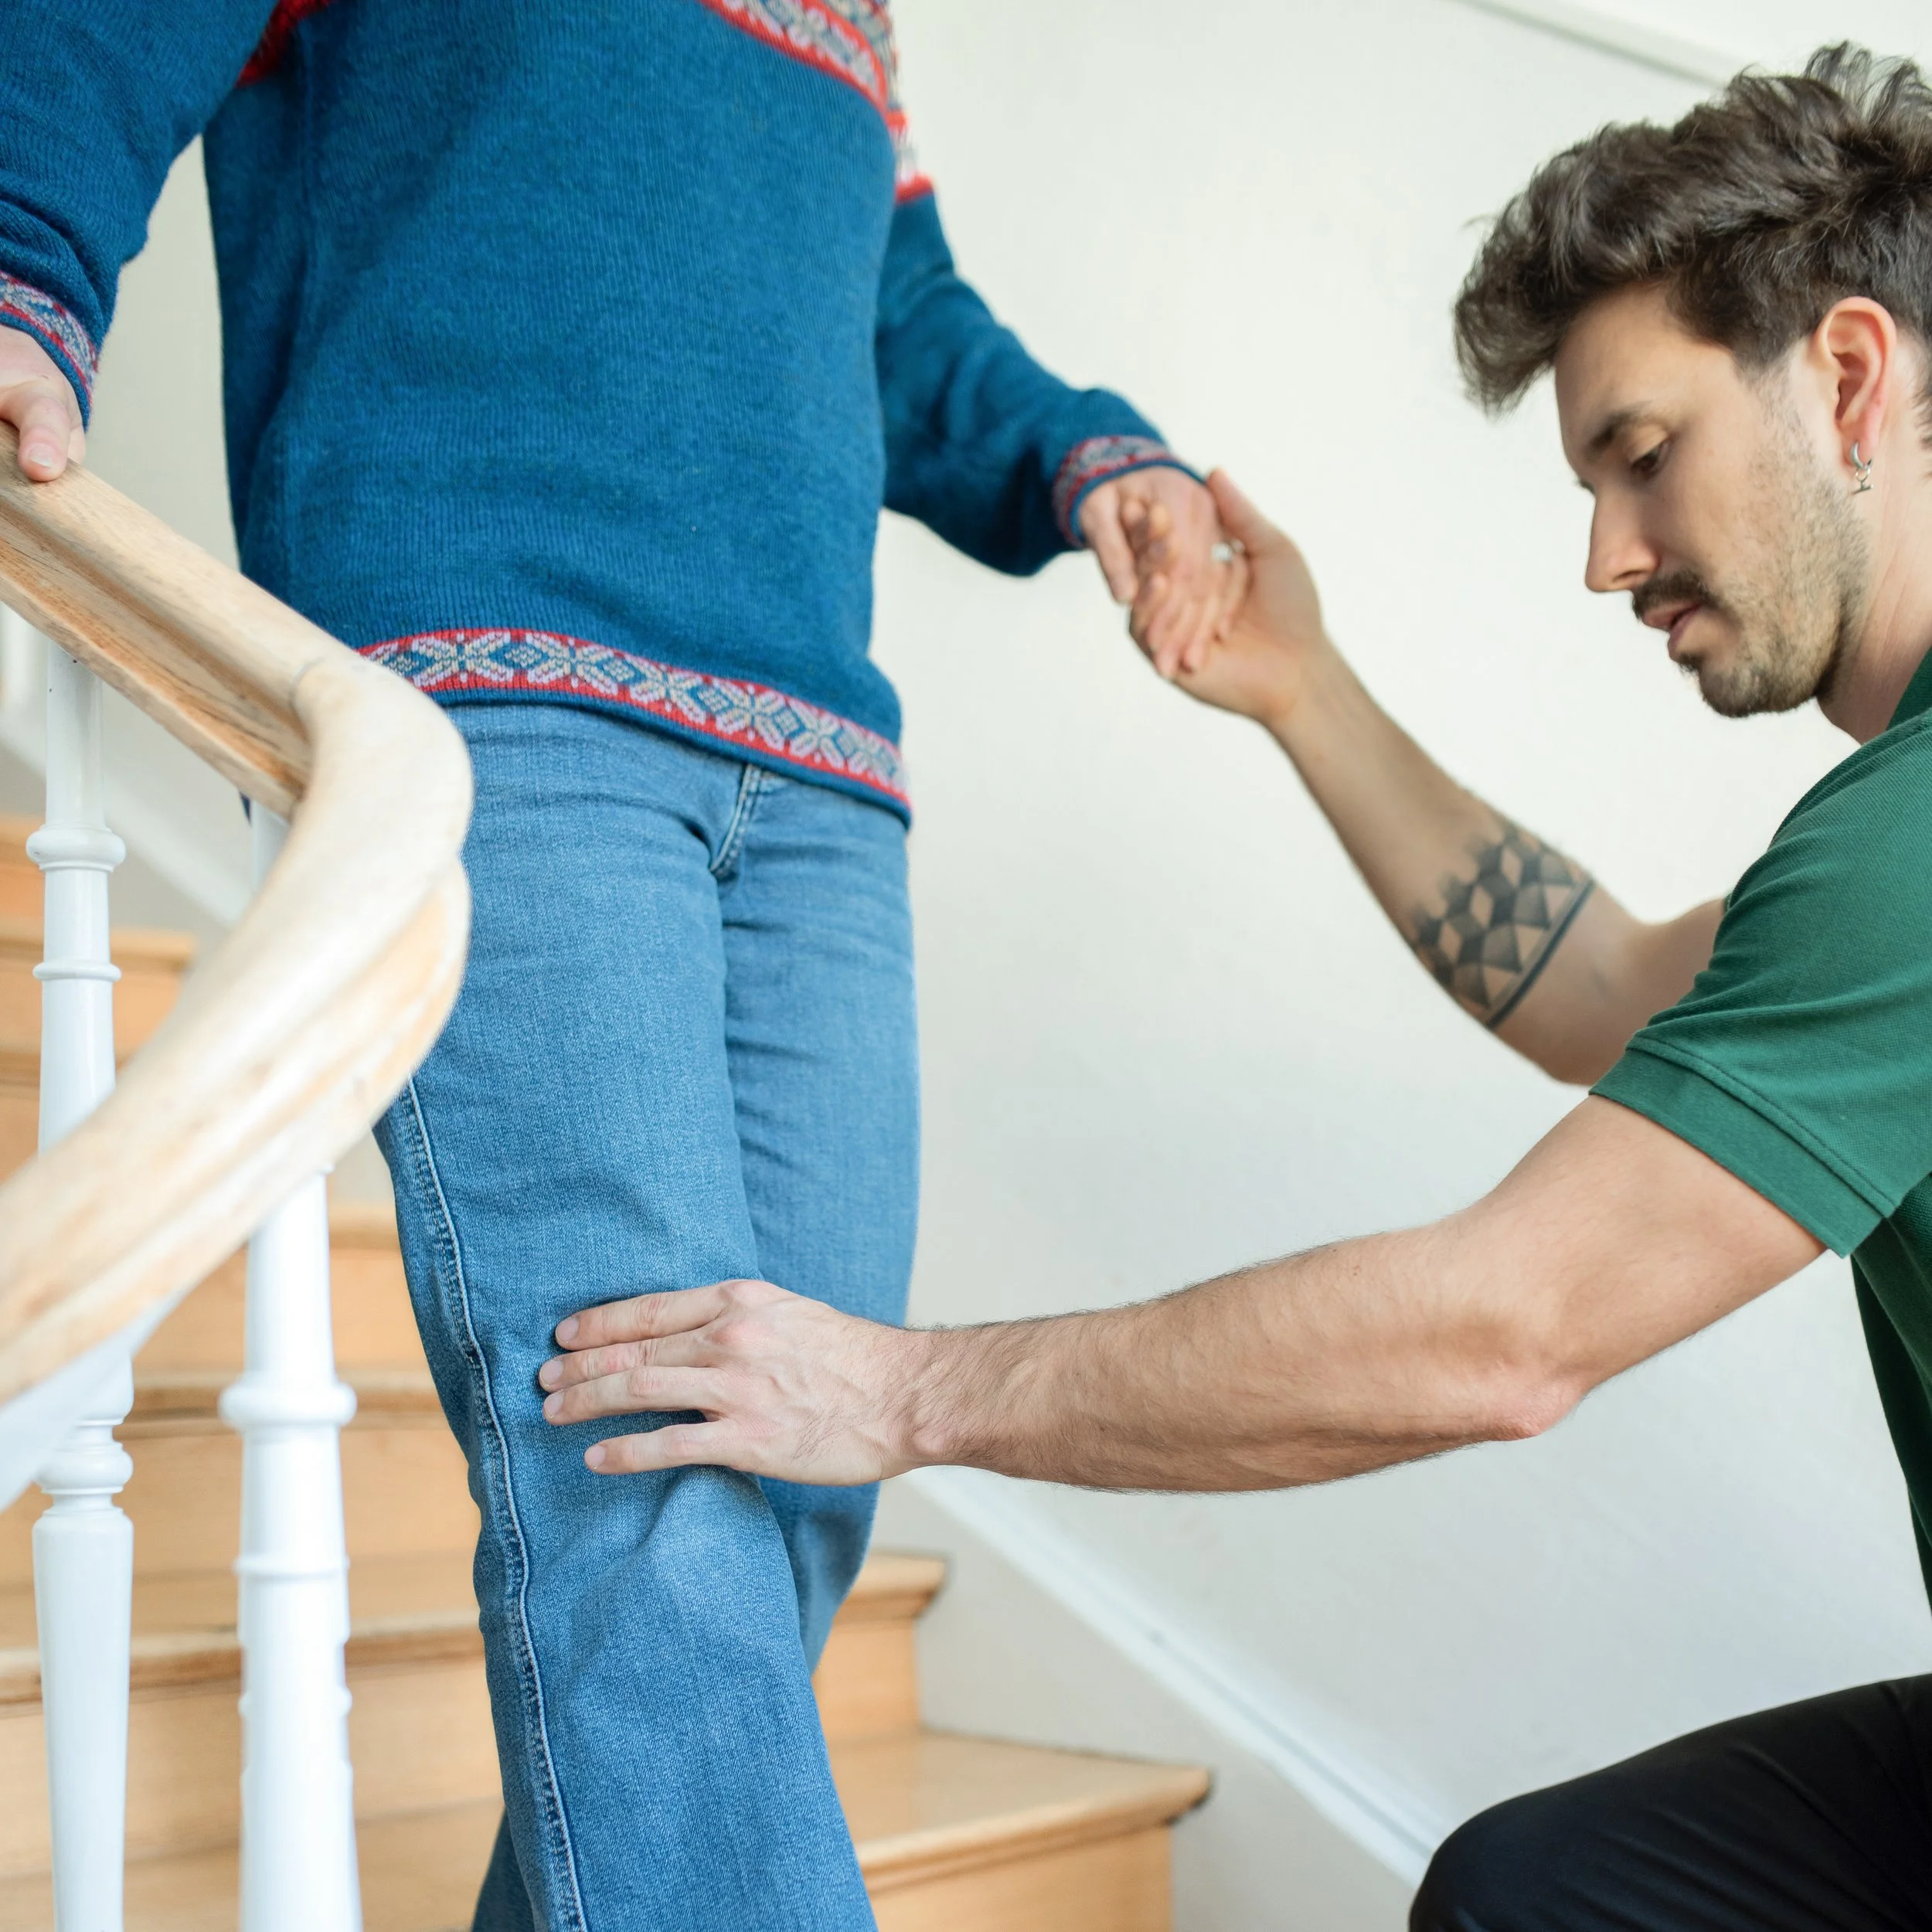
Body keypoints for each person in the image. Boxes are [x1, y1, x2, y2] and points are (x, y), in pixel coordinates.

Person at [536, 44, 1932, 1928]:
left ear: (1845, 376)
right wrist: (1303, 687)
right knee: (1541, 1893)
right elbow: (1608, 982)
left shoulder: (1909, 843)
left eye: (1639, 453)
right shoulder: (1877, 853)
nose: (1604, 553)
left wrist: (901, 1390)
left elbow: (1501, 1327)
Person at [0, 4, 1240, 1928]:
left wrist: (1084, 459)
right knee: (646, 1506)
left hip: (820, 781)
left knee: (791, 1483)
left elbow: (889, 304)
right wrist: (23, 261)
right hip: (493, 698)